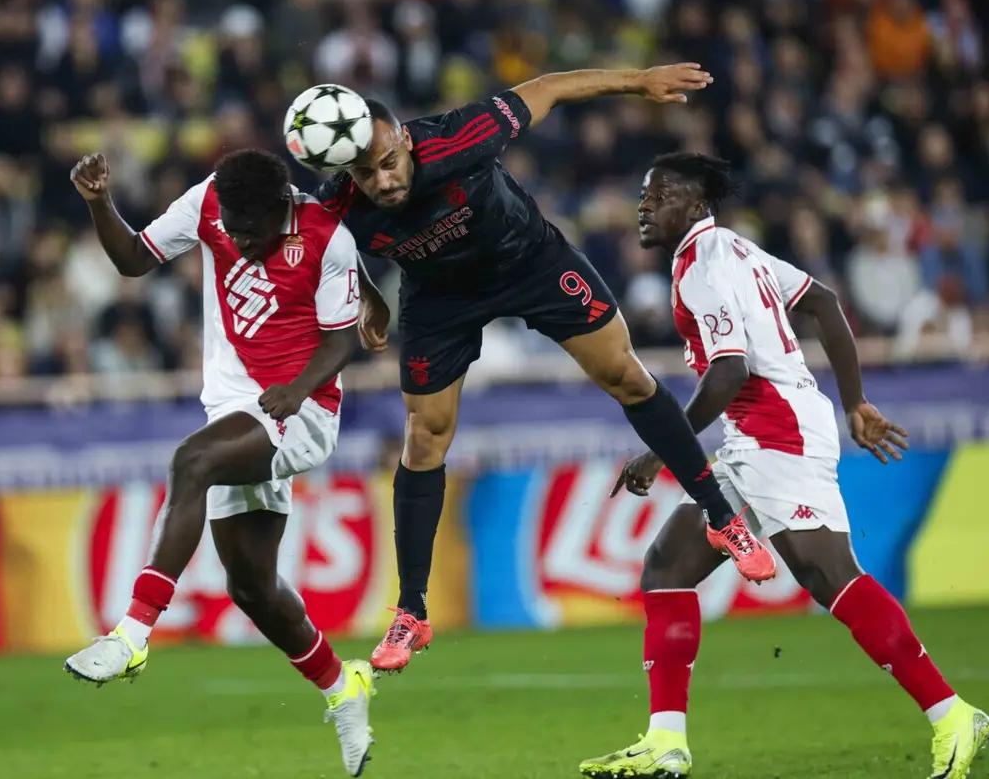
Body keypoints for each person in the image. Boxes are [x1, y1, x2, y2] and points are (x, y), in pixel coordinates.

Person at [313, 64, 777, 674]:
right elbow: (326, 245)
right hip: (440, 298)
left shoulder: (457, 136)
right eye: (366, 173)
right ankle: (412, 611)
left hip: (529, 262)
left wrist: (638, 81)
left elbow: (550, 88)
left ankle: (720, 516)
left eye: (389, 162)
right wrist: (369, 298)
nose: (383, 180)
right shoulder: (340, 204)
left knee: (626, 376)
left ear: (403, 139)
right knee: (424, 436)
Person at [578, 153, 987, 779]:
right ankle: (666, 742)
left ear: (694, 203)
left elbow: (729, 372)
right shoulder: (733, 249)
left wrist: (662, 447)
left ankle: (952, 715)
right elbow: (821, 302)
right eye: (643, 194)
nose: (643, 205)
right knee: (668, 562)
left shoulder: (705, 270)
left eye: (658, 194)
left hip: (778, 435)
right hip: (761, 432)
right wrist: (854, 402)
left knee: (828, 576)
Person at [62, 149, 377, 777]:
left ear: (280, 208)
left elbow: (344, 339)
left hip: (303, 411)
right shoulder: (210, 200)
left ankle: (131, 634)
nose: (234, 237)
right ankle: (344, 688)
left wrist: (298, 389)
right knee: (251, 587)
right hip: (236, 410)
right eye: (228, 226)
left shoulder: (323, 236)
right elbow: (132, 260)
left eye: (248, 229)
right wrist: (100, 203)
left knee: (191, 463)